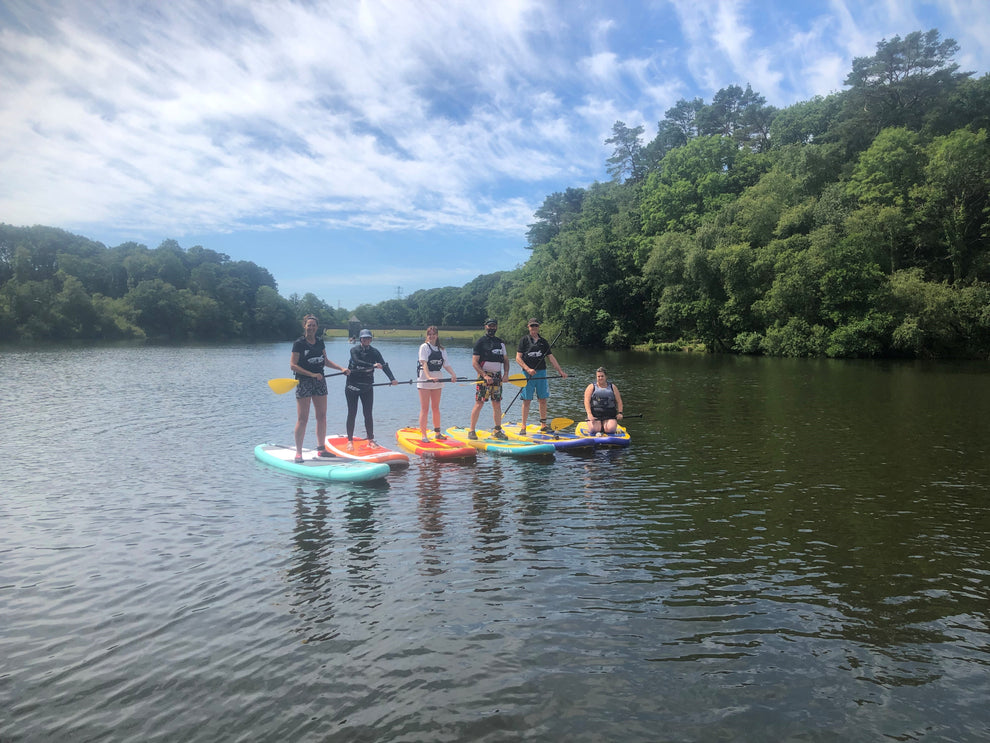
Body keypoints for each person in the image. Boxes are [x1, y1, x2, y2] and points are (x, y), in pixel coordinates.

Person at [290, 314, 349, 462]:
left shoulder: (320, 342)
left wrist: (341, 368)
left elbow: (325, 361)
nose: (311, 327)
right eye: (309, 325)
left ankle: (321, 449)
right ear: (305, 326)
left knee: (321, 417)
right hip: (304, 382)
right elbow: (293, 365)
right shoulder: (299, 343)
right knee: (303, 419)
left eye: (313, 325)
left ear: (317, 327)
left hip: (320, 381)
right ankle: (298, 453)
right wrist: (311, 374)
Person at [344, 328, 397, 449]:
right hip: (352, 385)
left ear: (371, 339)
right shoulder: (354, 350)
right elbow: (357, 361)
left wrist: (392, 379)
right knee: (352, 413)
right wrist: (372, 365)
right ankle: (350, 440)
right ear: (360, 339)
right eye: (364, 338)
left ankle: (371, 439)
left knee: (368, 413)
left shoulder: (375, 352)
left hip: (367, 386)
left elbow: (383, 365)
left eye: (368, 338)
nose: (366, 340)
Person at [515, 318, 567, 432]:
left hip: (541, 373)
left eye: (536, 326)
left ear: (538, 327)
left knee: (542, 399)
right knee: (527, 400)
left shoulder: (543, 342)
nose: (534, 329)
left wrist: (560, 371)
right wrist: (528, 369)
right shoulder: (524, 340)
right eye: (531, 326)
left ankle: (543, 425)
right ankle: (523, 426)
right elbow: (518, 358)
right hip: (527, 374)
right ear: (528, 327)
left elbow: (551, 358)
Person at [468, 318, 510, 440]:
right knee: (479, 403)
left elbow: (506, 360)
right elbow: (474, 362)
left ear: (496, 327)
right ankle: (471, 431)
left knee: (497, 403)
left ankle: (497, 430)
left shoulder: (501, 342)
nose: (492, 328)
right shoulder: (480, 342)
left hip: (497, 376)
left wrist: (506, 374)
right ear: (485, 327)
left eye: (494, 326)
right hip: (484, 376)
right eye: (489, 326)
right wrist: (485, 376)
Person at [417, 325, 458, 442]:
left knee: (436, 408)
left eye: (433, 334)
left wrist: (453, 374)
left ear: (437, 335)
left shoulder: (442, 349)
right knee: (425, 409)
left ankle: (437, 432)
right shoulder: (424, 347)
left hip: (438, 379)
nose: (431, 336)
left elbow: (446, 365)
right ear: (427, 336)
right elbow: (424, 363)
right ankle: (424, 435)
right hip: (425, 380)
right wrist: (429, 376)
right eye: (429, 334)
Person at [584, 366, 624, 435]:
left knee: (610, 430)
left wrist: (620, 413)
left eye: (602, 376)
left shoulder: (612, 387)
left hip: (609, 415)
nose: (600, 378)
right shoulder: (591, 387)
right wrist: (589, 414)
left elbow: (619, 401)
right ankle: (598, 425)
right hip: (595, 415)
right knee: (594, 430)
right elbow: (586, 401)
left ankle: (605, 425)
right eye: (598, 376)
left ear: (606, 376)